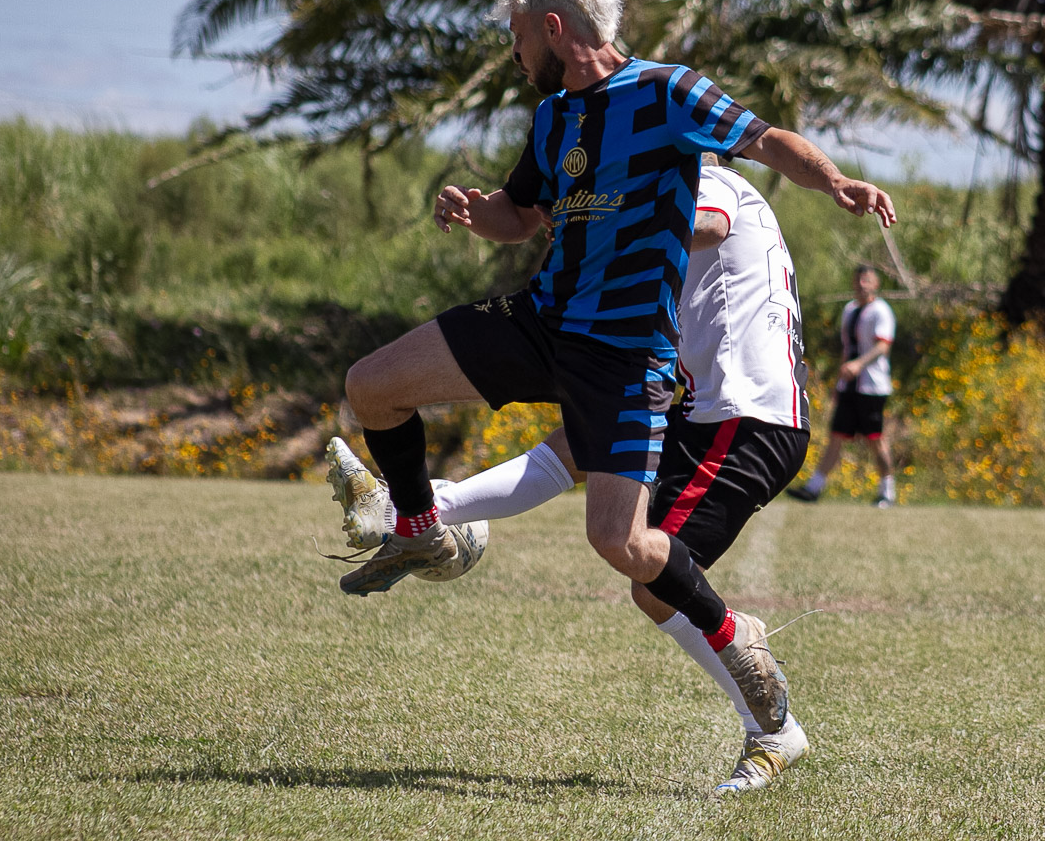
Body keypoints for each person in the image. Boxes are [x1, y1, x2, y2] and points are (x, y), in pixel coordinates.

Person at [334, 0, 895, 739]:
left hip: (625, 354)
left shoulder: (669, 91)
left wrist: (833, 179)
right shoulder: (553, 117)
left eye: (517, 35)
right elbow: (520, 215)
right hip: (542, 320)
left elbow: (766, 141)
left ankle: (734, 638)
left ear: (553, 27)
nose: (513, 52)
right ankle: (423, 530)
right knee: (372, 386)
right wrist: (475, 211)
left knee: (622, 543)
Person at [326, 158, 813, 795]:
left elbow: (706, 224)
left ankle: (774, 730)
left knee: (653, 583)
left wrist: (592, 219)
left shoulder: (711, 183)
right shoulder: (691, 193)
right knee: (575, 447)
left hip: (744, 420)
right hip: (704, 406)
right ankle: (418, 514)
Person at [789, 264, 897, 507]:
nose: (862, 284)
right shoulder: (850, 310)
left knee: (875, 438)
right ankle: (814, 488)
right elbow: (847, 349)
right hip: (849, 386)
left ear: (876, 284)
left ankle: (887, 491)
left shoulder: (881, 311)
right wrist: (840, 381)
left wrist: (859, 364)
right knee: (837, 434)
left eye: (866, 280)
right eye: (858, 280)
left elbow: (883, 346)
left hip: (872, 386)